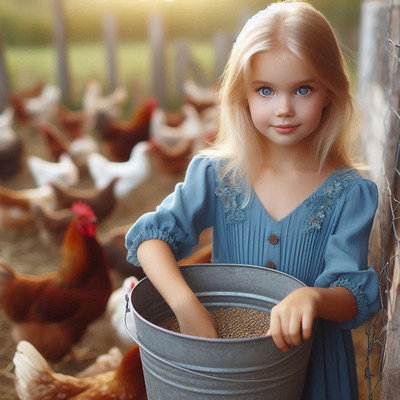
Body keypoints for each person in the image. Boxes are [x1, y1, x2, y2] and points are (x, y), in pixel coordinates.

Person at [125, 1, 380, 398]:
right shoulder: (217, 175)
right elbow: (151, 240)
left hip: (316, 365)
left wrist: (313, 297)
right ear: (243, 95)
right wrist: (187, 307)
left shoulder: (350, 192)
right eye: (265, 90)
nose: (283, 109)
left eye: (303, 89)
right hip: (230, 362)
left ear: (330, 91)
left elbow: (352, 296)